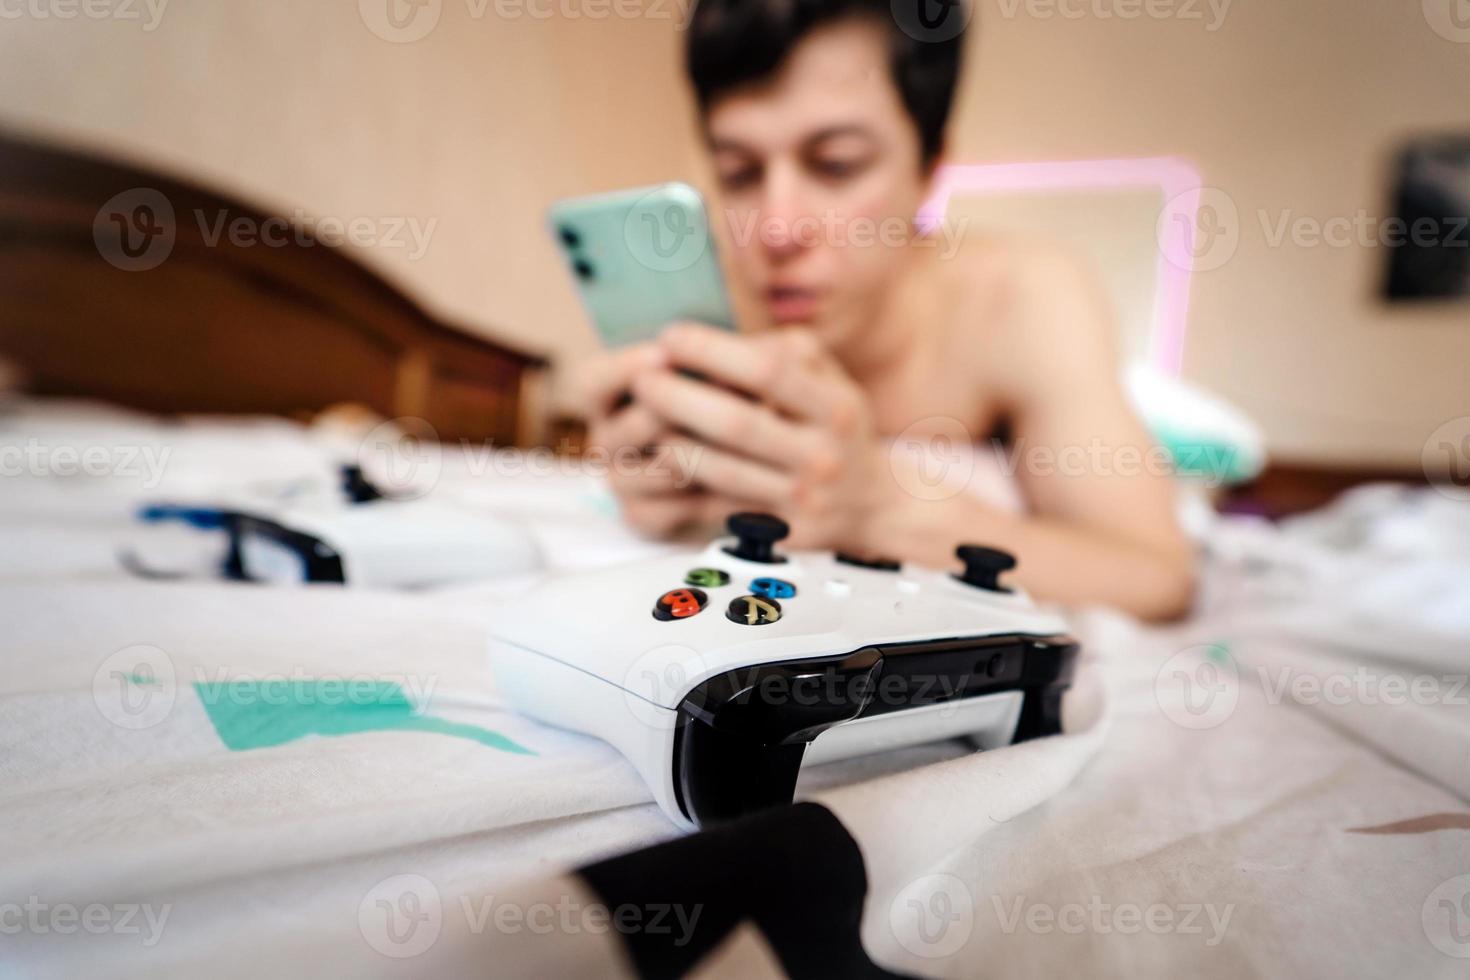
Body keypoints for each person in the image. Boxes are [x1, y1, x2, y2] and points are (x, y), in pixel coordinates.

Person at [578, 0, 1194, 620]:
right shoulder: (710, 309)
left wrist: (878, 509)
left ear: (929, 167)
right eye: (739, 172)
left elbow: (1155, 576)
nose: (776, 229)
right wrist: (654, 479)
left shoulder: (1018, 297)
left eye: (836, 164)